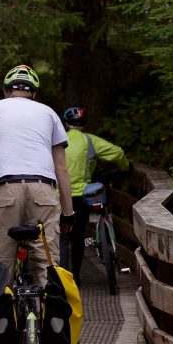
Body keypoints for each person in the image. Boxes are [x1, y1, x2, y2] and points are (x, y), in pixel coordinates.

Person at [0, 65, 75, 284]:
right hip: (43, 192)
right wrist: (68, 213)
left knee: (0, 267)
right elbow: (61, 168)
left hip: (4, 192)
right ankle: (47, 314)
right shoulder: (49, 113)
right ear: (34, 93)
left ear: (6, 91)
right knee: (46, 266)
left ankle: (2, 313)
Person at [58, 106, 128, 283]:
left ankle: (61, 279)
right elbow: (118, 153)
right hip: (81, 195)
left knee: (62, 237)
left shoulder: (56, 139)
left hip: (58, 195)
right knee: (78, 235)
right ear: (84, 123)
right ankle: (76, 278)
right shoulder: (90, 141)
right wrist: (125, 168)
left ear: (66, 123)